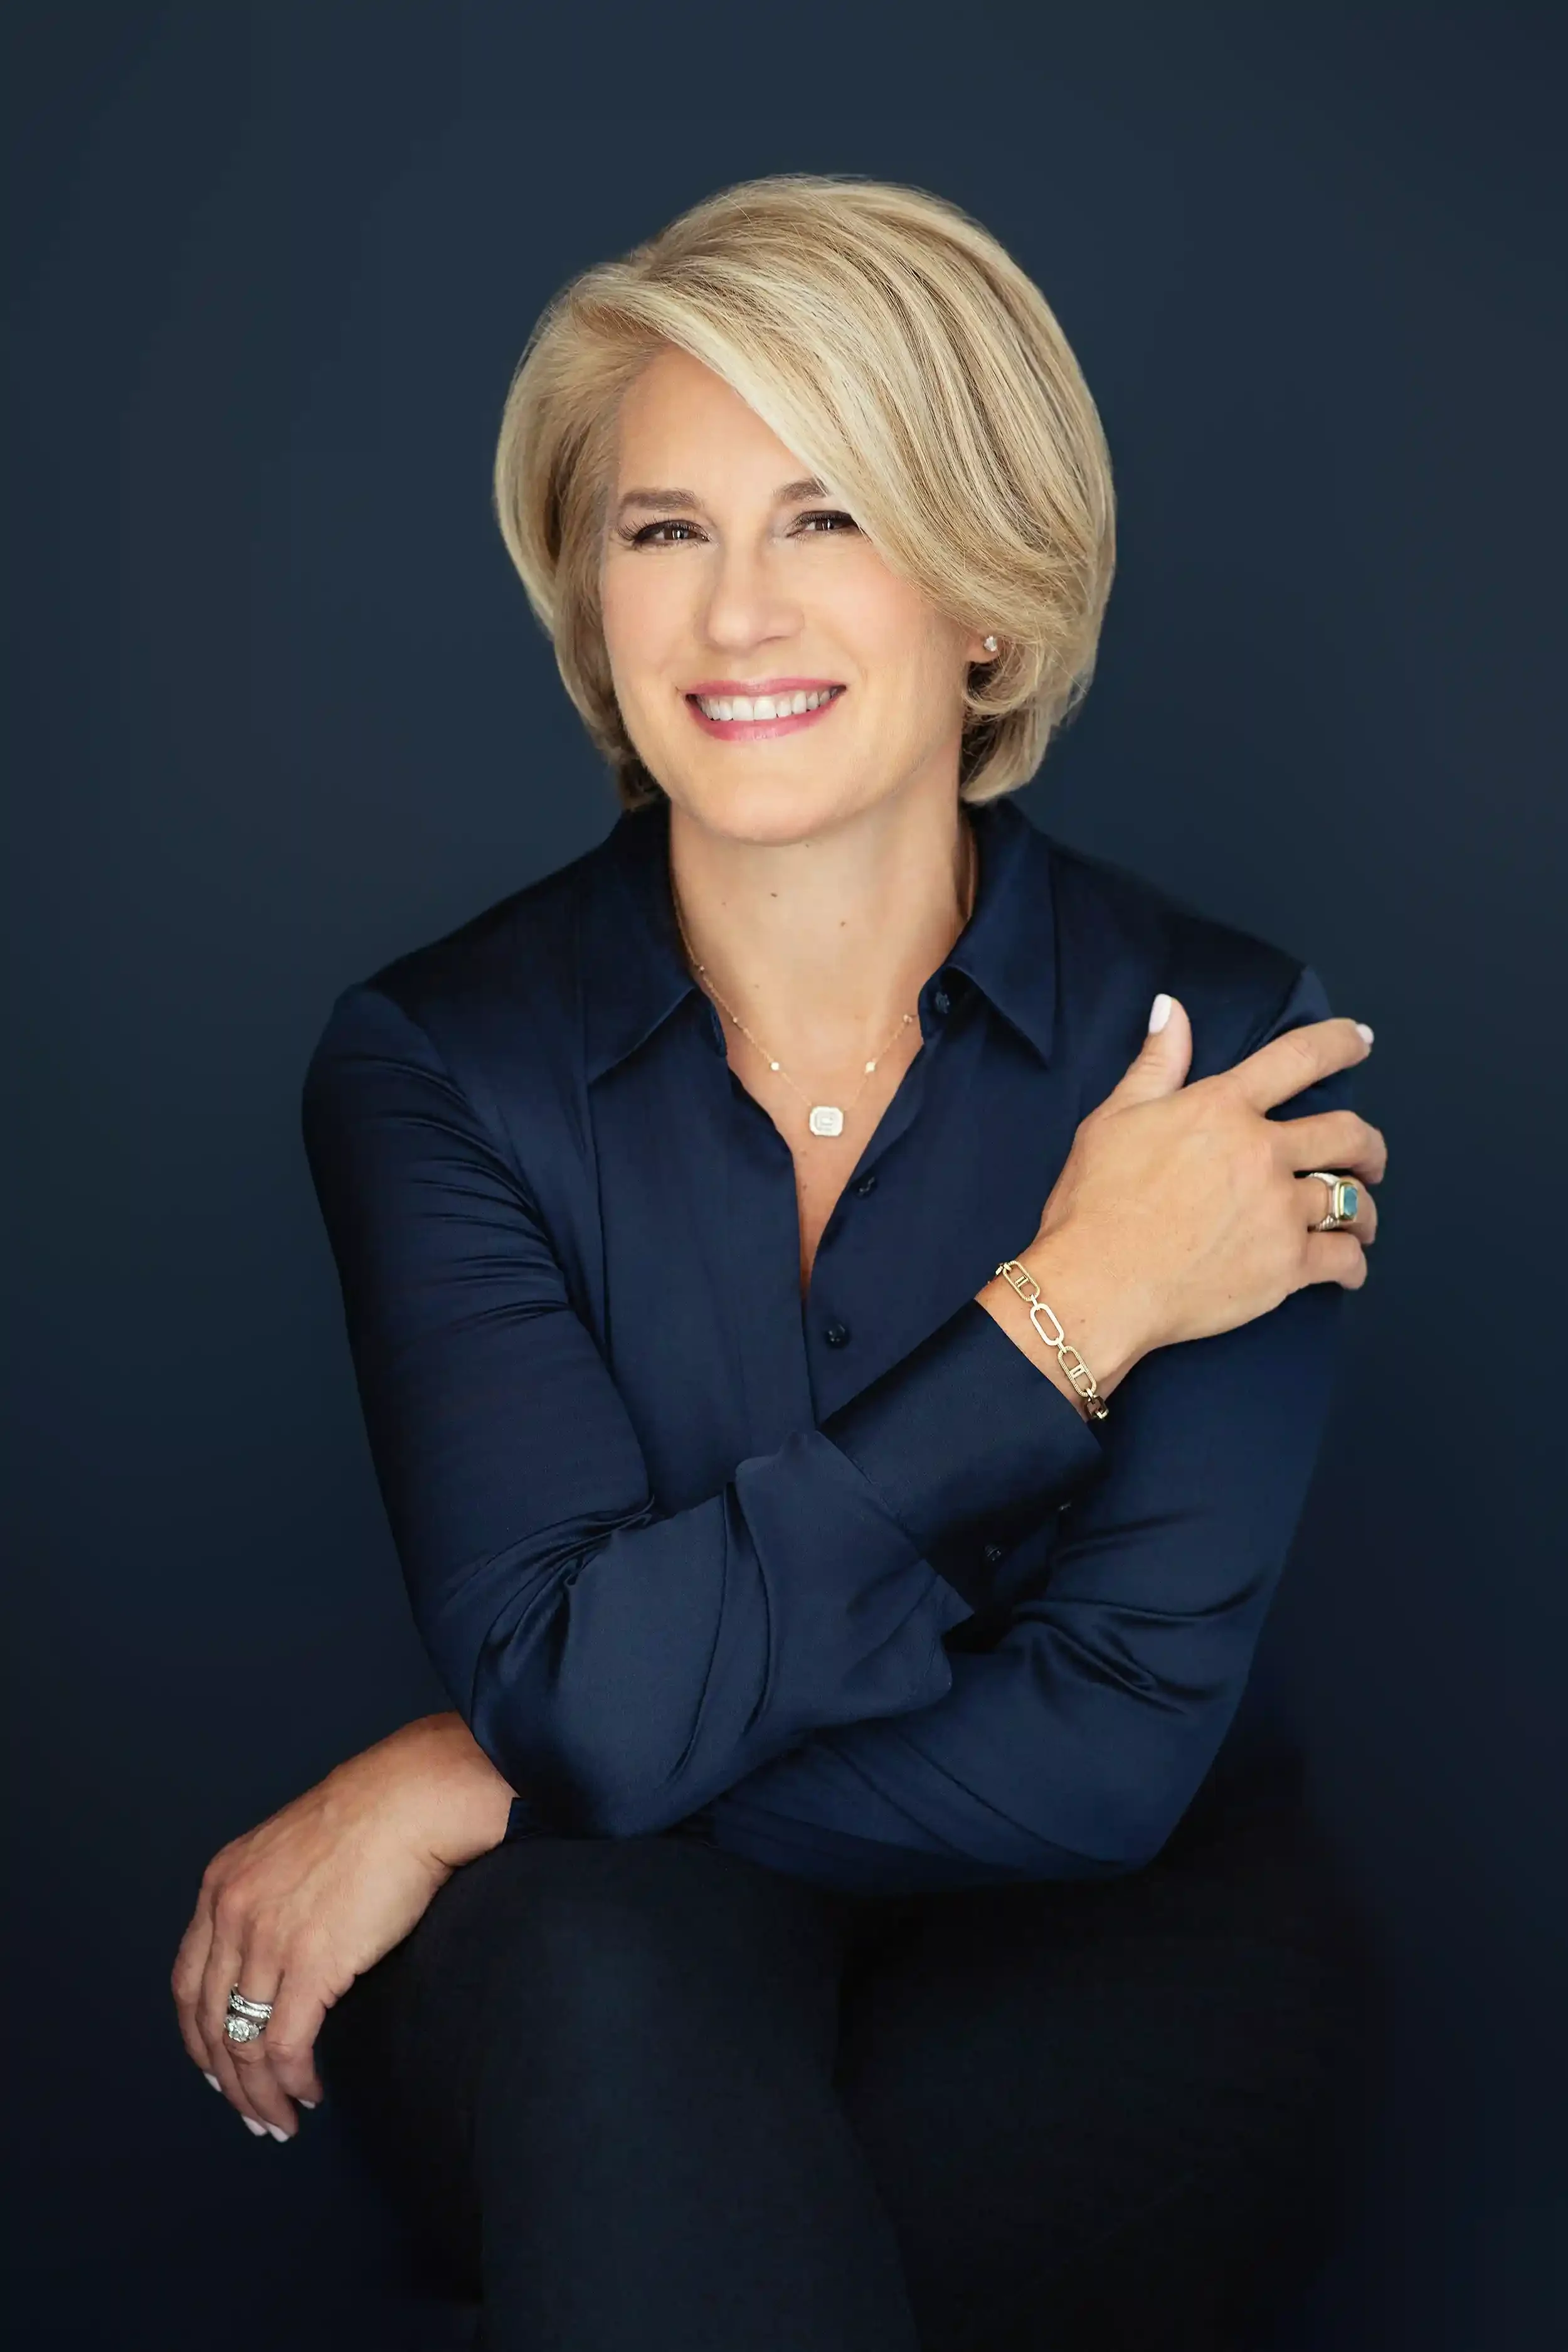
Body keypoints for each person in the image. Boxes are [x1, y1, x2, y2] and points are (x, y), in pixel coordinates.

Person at [171, 174, 1387, 2351]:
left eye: (826, 518)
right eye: (663, 530)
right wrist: (1068, 1312)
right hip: (611, 1947)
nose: (734, 614)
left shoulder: (1215, 1042)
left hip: (1117, 1940)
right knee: (603, 1993)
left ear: (984, 600)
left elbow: (1099, 1752)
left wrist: (481, 1767)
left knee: (743, 2161)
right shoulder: (438, 1061)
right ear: (589, 592)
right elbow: (575, 1689)